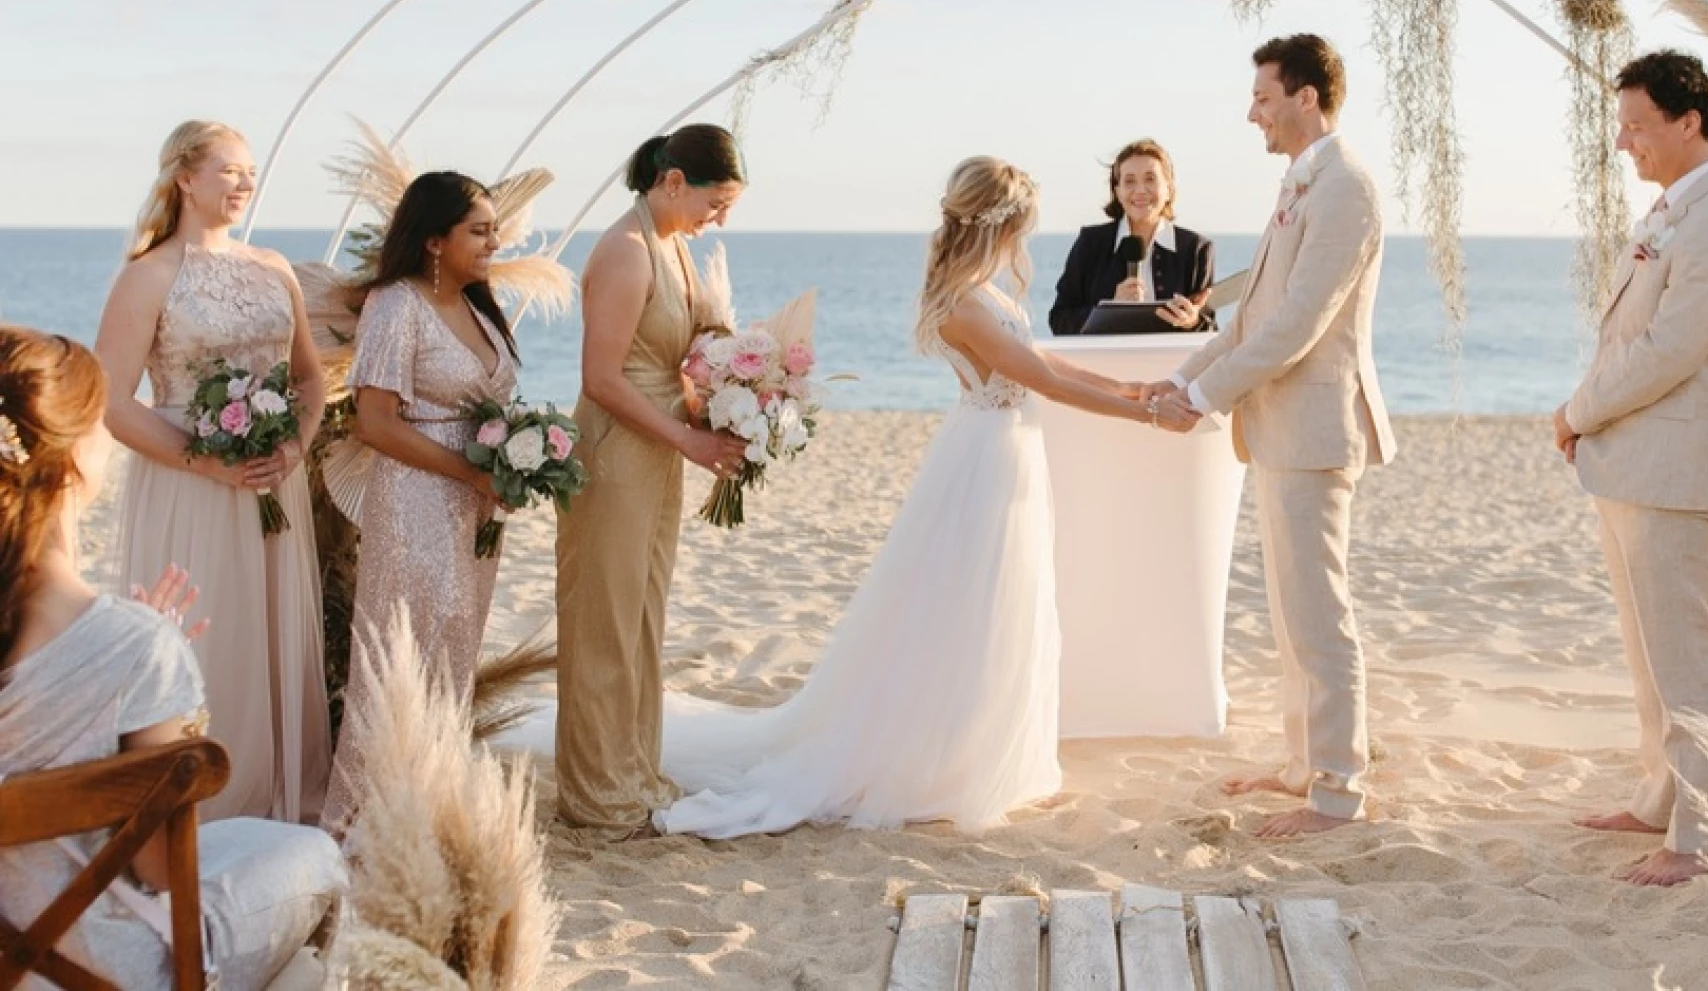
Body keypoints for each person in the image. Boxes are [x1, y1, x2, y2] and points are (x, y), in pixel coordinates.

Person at [646, 157, 1197, 838]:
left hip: (1004, 449)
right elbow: (1038, 379)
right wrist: (1146, 416)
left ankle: (982, 754)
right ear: (1004, 222)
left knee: (1000, 605)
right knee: (974, 606)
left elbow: (1045, 363)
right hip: (987, 459)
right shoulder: (964, 301)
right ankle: (947, 764)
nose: (1027, 235)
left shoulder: (981, 291)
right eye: (1023, 223)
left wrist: (1130, 389)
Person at [0, 325, 346, 989]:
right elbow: (159, 871)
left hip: (13, 947)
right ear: (74, 462)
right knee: (319, 858)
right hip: (106, 968)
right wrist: (158, 677)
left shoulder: (128, 644)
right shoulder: (136, 648)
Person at [1145, 33, 1396, 839]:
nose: (1251, 112)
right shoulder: (1300, 185)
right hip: (1281, 430)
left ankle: (1338, 790)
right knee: (1292, 613)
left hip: (1318, 427)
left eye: (1262, 96)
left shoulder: (1346, 189)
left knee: (1321, 613)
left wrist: (1207, 395)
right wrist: (1183, 378)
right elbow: (1254, 315)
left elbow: (1297, 324)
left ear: (1306, 97)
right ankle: (1302, 762)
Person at [1552, 50, 1708, 888]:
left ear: (1689, 122)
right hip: (1631, 460)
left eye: (1638, 125)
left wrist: (1578, 411)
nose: (1624, 141)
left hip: (1675, 464)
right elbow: (1628, 336)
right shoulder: (1673, 213)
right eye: (1622, 124)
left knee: (1686, 656)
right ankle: (1660, 794)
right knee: (1646, 650)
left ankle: (1706, 830)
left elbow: (1672, 350)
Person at [94, 121, 331, 824]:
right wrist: (207, 464)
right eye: (228, 170)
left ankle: (282, 797)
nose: (244, 183)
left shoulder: (274, 267)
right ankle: (206, 800)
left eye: (249, 171)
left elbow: (311, 379)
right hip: (189, 484)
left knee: (273, 638)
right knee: (210, 633)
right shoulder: (149, 276)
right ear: (184, 178)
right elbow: (109, 402)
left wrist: (296, 446)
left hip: (272, 480)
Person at [555, 125, 752, 839]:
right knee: (602, 621)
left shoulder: (673, 247)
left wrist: (739, 396)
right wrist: (691, 441)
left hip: (660, 449)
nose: (720, 217)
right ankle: (596, 794)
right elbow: (602, 379)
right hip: (614, 453)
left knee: (642, 617)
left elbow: (683, 357)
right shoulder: (626, 251)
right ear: (674, 182)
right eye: (717, 201)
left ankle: (633, 771)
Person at [321, 172, 522, 834]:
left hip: (475, 507)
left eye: (494, 229)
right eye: (481, 230)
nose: (496, 241)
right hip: (414, 502)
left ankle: (434, 810)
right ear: (434, 240)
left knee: (457, 645)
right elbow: (375, 422)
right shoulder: (395, 305)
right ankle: (372, 821)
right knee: (409, 650)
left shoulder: (479, 306)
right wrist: (468, 470)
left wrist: (521, 458)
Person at [1049, 139, 1216, 334]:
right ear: (1117, 192)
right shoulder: (1091, 243)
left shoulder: (1196, 249)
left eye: (1150, 179)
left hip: (1171, 363)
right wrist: (1108, 311)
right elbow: (1059, 320)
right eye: (1129, 181)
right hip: (1104, 362)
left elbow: (1210, 331)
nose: (1140, 190)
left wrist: (1192, 321)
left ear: (1169, 189)